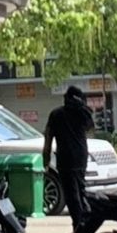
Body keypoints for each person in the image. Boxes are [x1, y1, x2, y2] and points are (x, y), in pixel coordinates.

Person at [45, 82, 96, 223]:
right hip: (80, 156)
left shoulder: (56, 114)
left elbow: (48, 138)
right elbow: (91, 130)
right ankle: (85, 219)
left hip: (65, 158)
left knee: (71, 194)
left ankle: (78, 223)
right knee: (80, 189)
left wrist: (46, 158)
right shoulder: (83, 113)